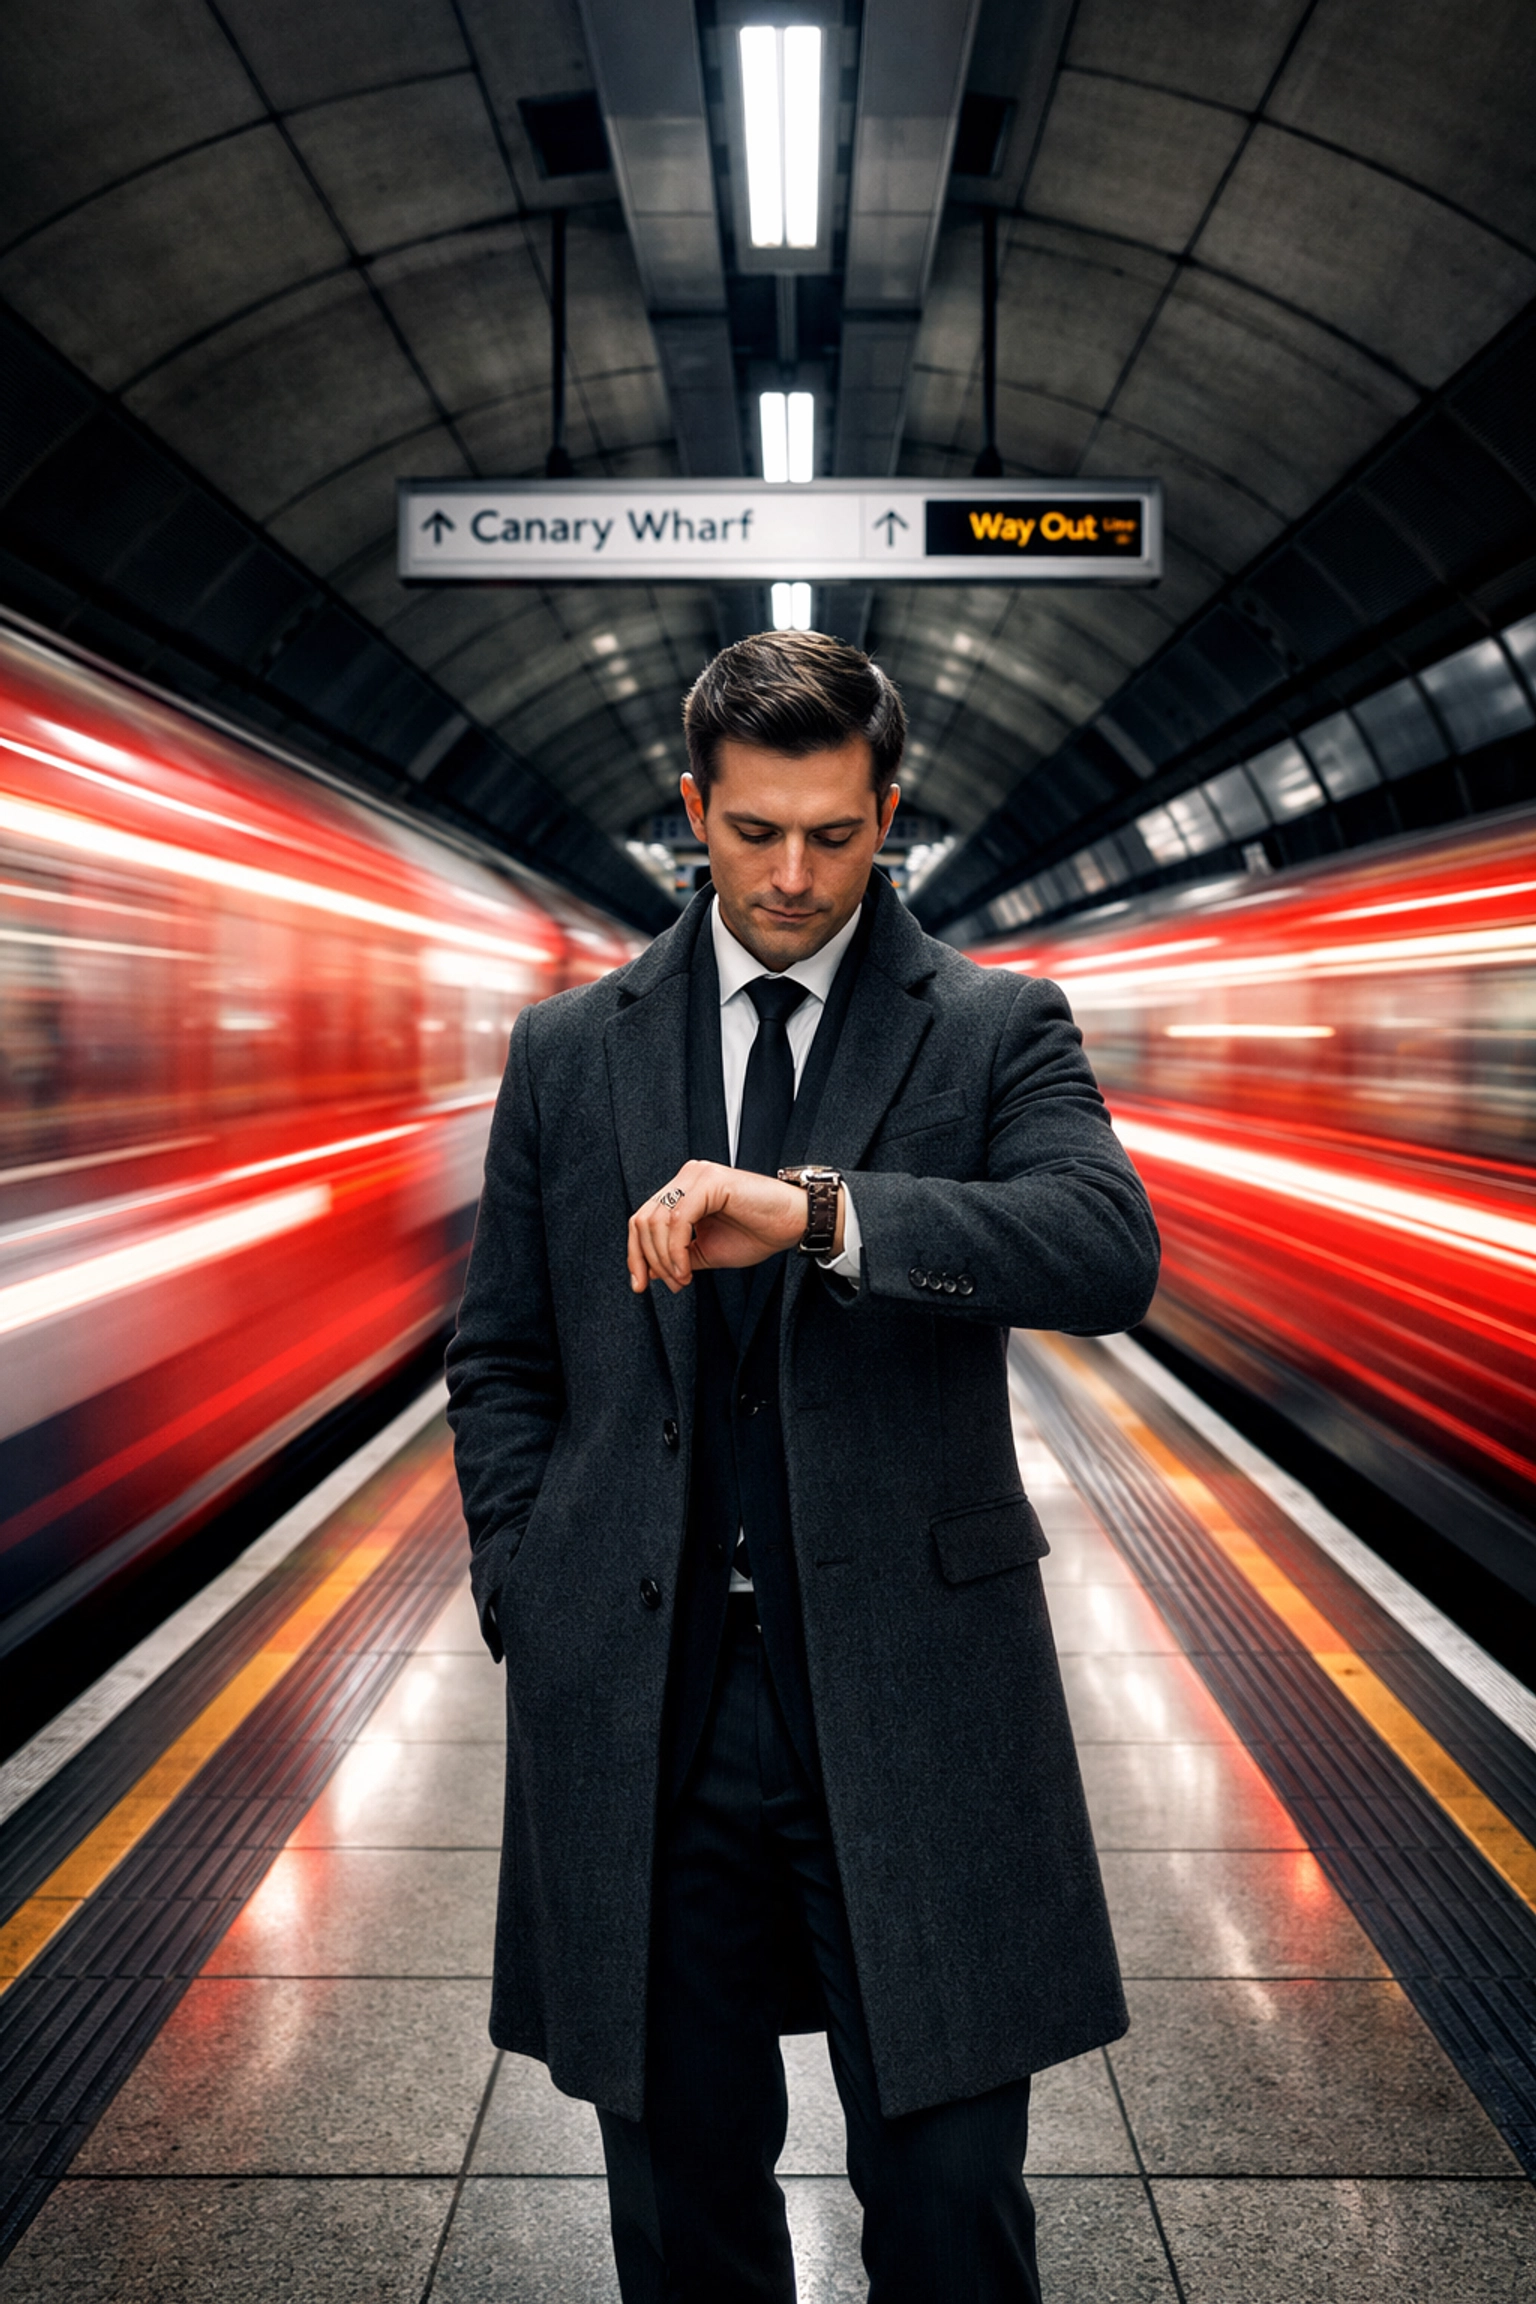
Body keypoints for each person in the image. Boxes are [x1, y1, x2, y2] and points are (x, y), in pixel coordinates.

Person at [446, 630, 1159, 2303]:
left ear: (888, 812)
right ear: (692, 808)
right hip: (650, 1701)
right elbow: (502, 1355)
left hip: (917, 1692)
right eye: (752, 831)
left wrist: (825, 1215)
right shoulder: (571, 1050)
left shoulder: (990, 1027)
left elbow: (1106, 1248)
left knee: (950, 2203)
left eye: (835, 836)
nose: (790, 874)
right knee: (683, 2205)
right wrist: (528, 1587)